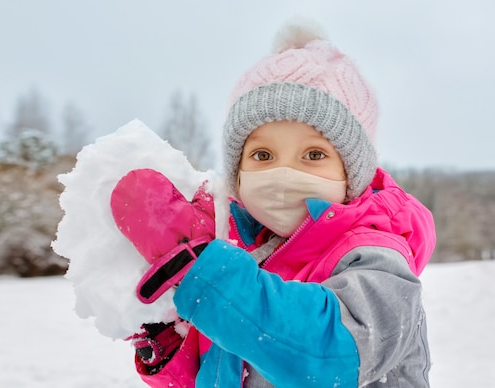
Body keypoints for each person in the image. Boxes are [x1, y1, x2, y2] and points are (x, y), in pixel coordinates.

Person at [117, 18, 436, 387]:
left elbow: (326, 357)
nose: (283, 175)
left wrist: (201, 275)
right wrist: (173, 342)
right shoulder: (246, 252)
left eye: (314, 155)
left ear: (353, 173)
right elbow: (228, 369)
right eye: (263, 156)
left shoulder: (377, 256)